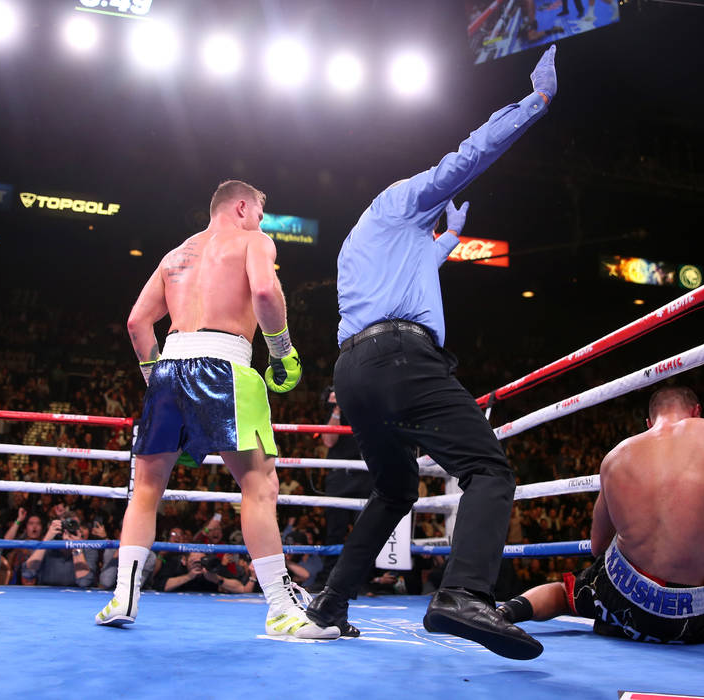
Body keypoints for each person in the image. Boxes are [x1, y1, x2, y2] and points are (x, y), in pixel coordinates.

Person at [306, 47, 559, 660]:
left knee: (395, 490)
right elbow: (465, 158)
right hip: (400, 360)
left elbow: (413, 277)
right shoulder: (399, 200)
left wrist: (447, 239)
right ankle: (464, 594)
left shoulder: (371, 243)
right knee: (489, 470)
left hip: (355, 371)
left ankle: (329, 605)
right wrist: (535, 104)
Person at [93, 179, 338, 640]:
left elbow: (137, 322)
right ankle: (281, 610)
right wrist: (282, 351)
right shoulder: (252, 241)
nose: (263, 224)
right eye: (260, 214)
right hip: (224, 366)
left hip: (168, 368)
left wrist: (156, 381)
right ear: (242, 207)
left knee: (145, 489)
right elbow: (265, 294)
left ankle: (123, 595)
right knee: (259, 484)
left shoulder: (174, 256)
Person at [498, 386, 704, 644]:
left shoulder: (615, 456)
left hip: (618, 596)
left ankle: (502, 614)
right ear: (697, 413)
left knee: (564, 592)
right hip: (680, 617)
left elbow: (598, 546)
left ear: (649, 423)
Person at [318, 386, 373, 589]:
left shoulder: (365, 409)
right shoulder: (332, 415)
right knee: (334, 531)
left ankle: (362, 581)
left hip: (365, 474)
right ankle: (327, 580)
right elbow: (329, 441)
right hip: (340, 477)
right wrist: (337, 410)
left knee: (365, 531)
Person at [22, 511, 99, 588]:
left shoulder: (88, 548)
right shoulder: (47, 546)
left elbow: (84, 582)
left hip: (76, 595)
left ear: (79, 529)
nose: (68, 530)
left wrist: (76, 547)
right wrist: (47, 540)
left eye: (73, 526)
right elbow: (28, 573)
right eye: (65, 526)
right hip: (47, 594)